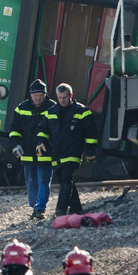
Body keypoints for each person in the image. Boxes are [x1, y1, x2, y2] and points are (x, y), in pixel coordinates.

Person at [35, 83, 98, 217]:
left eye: (65, 97)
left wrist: (90, 152)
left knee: (66, 177)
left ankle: (61, 209)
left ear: (71, 96)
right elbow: (42, 129)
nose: (62, 100)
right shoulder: (51, 112)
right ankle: (76, 208)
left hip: (73, 151)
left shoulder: (82, 112)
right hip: (57, 152)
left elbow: (91, 134)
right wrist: (40, 142)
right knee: (65, 180)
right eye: (59, 98)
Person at [9, 79, 56, 219]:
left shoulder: (52, 107)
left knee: (44, 179)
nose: (38, 98)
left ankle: (40, 208)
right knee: (31, 181)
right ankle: (34, 206)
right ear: (30, 95)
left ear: (45, 94)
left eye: (41, 95)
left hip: (46, 152)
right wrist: (15, 145)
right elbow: (14, 130)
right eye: (35, 95)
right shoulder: (21, 108)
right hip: (28, 152)